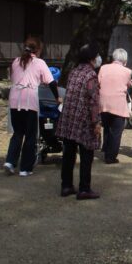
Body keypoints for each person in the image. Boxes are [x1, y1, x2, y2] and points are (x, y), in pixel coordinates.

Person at [5, 36, 59, 177]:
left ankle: (10, 161)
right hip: (29, 100)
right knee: (30, 135)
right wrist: (57, 97)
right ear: (38, 50)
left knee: (18, 133)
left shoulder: (16, 61)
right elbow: (52, 82)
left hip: (14, 99)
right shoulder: (39, 63)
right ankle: (25, 168)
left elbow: (14, 78)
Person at [57, 43, 102, 200]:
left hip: (69, 117)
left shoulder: (74, 72)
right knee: (86, 154)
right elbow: (94, 101)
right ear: (91, 58)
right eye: (96, 56)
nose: (98, 59)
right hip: (83, 120)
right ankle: (84, 188)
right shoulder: (91, 75)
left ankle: (66, 186)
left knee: (68, 154)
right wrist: (96, 122)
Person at [98, 48, 132, 164]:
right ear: (125, 60)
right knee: (116, 131)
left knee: (107, 127)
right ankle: (111, 157)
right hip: (117, 103)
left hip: (103, 102)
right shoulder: (127, 71)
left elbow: (98, 83)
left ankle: (106, 149)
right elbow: (128, 84)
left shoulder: (103, 68)